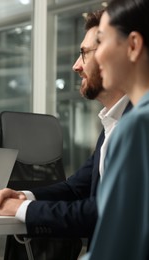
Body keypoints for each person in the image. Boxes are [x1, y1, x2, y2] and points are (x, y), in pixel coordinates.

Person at [0, 8, 131, 256]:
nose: (76, 66)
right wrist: (23, 196)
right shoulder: (113, 121)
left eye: (85, 53)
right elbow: (75, 188)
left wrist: (21, 209)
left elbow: (106, 211)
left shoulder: (136, 124)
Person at [82, 0, 149, 259]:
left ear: (133, 45)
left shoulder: (137, 127)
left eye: (102, 41)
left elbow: (113, 251)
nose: (96, 57)